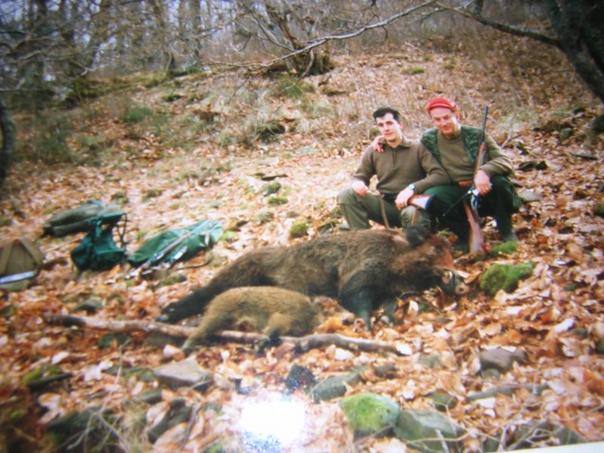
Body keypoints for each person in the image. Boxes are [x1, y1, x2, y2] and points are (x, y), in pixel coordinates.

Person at [420, 96, 522, 249]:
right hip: (455, 191)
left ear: (457, 115)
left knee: (500, 183)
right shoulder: (429, 139)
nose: (443, 123)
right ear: (432, 121)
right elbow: (411, 151)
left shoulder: (476, 135)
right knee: (431, 196)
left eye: (447, 117)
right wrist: (383, 141)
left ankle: (506, 230)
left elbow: (505, 160)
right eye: (437, 119)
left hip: (483, 189)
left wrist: (485, 171)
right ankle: (466, 236)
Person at [337, 106, 449, 230]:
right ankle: (363, 238)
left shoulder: (417, 148)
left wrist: (412, 188)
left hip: (411, 204)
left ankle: (413, 241)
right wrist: (358, 183)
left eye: (389, 123)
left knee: (412, 215)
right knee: (346, 195)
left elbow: (440, 175)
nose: (386, 128)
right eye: (381, 125)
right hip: (385, 206)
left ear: (400, 124)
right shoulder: (374, 150)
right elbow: (360, 175)